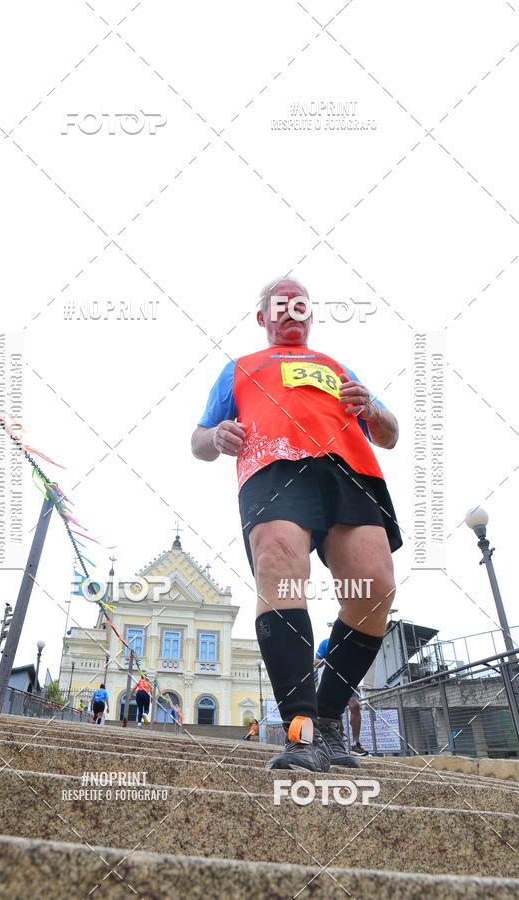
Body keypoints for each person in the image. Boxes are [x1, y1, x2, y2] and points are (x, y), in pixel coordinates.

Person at [192, 278, 401, 772]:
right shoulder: (239, 368)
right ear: (263, 317)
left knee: (375, 587)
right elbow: (198, 441)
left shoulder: (335, 366)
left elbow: (389, 433)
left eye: (300, 304)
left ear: (310, 315)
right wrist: (216, 434)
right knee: (279, 565)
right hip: (273, 466)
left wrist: (372, 407)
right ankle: (300, 731)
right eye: (279, 305)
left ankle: (328, 720)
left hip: (349, 470)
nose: (291, 311)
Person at [315, 639, 369, 762]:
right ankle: (337, 743)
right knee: (336, 715)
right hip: (331, 681)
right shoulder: (326, 643)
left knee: (355, 705)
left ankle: (356, 743)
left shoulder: (352, 643)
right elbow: (315, 661)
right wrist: (321, 662)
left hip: (348, 680)